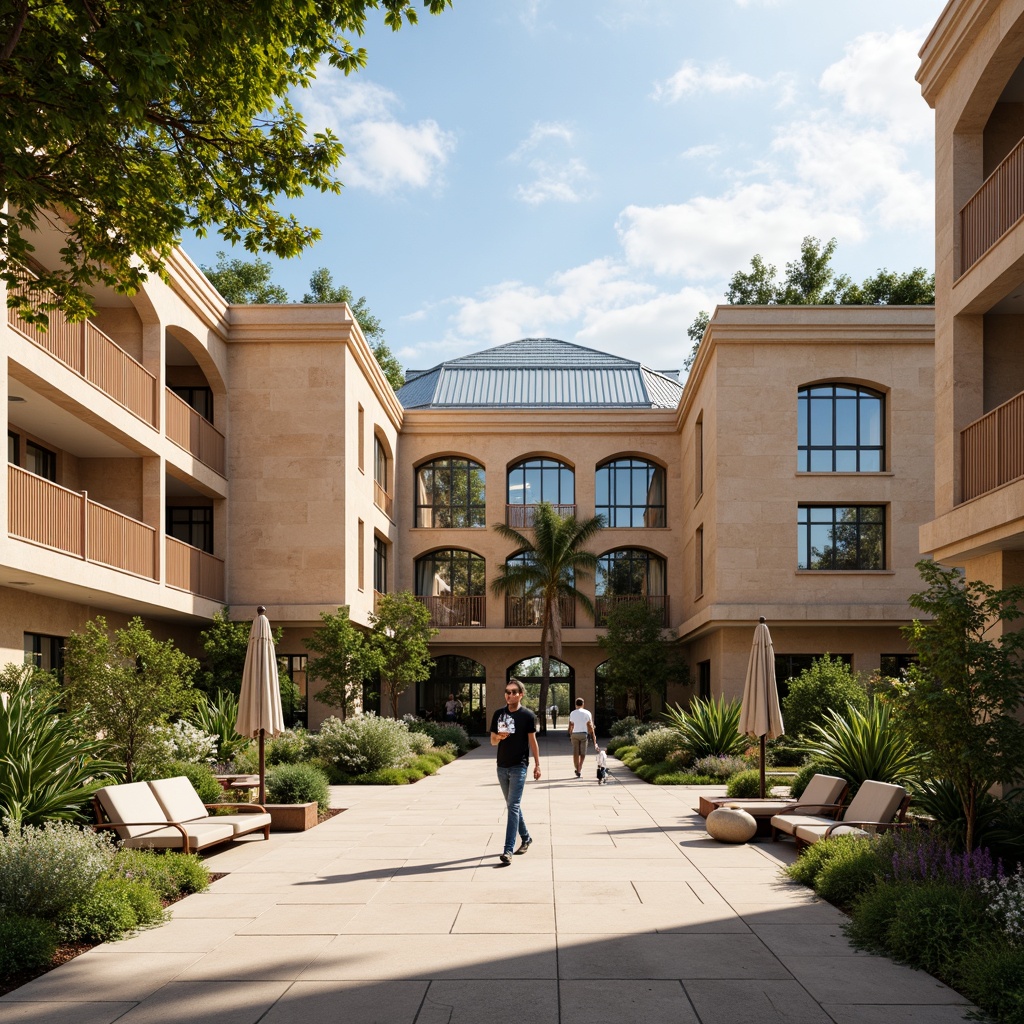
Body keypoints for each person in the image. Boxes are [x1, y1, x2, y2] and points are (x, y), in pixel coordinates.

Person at [490, 677, 541, 865]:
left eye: (513, 692)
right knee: (514, 806)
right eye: (507, 692)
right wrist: (499, 737)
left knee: (512, 807)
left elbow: (532, 741)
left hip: (519, 766)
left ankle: (508, 850)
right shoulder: (498, 714)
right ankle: (526, 837)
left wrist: (537, 764)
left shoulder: (528, 716)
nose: (509, 695)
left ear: (521, 694)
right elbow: (492, 741)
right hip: (501, 766)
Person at [567, 697, 597, 778]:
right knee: (583, 753)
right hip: (584, 734)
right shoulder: (587, 713)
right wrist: (594, 740)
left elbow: (571, 726)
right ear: (583, 704)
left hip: (575, 734)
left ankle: (577, 768)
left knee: (575, 752)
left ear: (576, 704)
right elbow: (590, 726)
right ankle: (579, 768)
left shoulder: (572, 713)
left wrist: (570, 734)